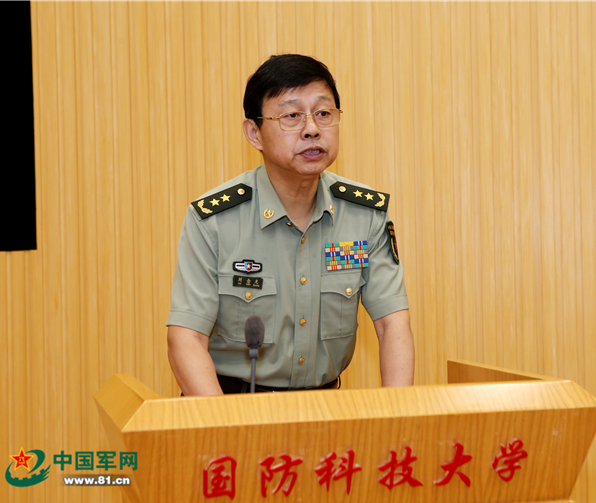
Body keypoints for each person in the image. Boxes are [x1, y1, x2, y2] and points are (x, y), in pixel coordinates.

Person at [167, 54, 414, 395]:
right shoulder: (214, 221)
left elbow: (392, 325)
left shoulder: (364, 215)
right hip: (229, 404)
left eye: (324, 113)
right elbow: (186, 338)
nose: (312, 128)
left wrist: (396, 417)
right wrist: (224, 424)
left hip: (325, 409)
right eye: (292, 116)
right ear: (254, 133)